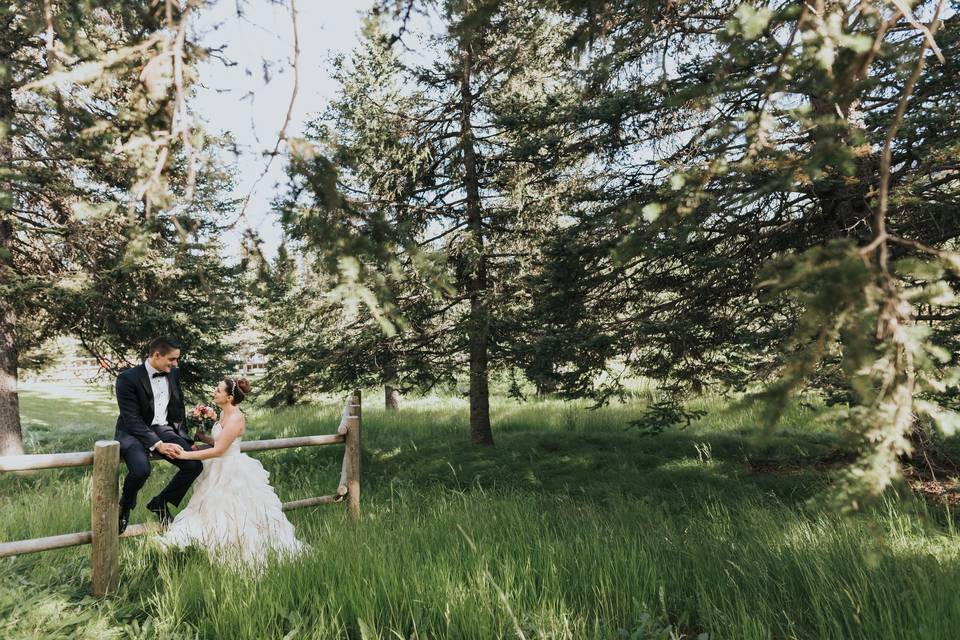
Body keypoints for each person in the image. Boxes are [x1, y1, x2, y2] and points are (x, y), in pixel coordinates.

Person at [158, 377, 306, 569]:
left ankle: (237, 547)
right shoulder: (222, 414)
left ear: (229, 397)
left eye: (218, 390)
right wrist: (203, 436)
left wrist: (186, 455)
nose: (215, 392)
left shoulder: (236, 417)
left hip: (232, 469)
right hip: (217, 467)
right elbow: (221, 443)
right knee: (209, 509)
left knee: (235, 510)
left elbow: (220, 451)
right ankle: (211, 543)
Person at [115, 336, 201, 534]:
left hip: (164, 428)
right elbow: (132, 419)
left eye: (177, 359)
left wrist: (187, 439)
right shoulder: (127, 379)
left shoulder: (173, 373)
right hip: (132, 432)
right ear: (156, 355)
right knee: (141, 471)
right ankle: (125, 505)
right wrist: (158, 444)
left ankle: (160, 502)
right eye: (172, 359)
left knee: (194, 465)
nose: (175, 363)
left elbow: (178, 406)